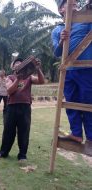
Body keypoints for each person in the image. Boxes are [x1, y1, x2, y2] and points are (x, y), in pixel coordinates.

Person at [52, 0, 92, 143]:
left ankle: (91, 137)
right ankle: (76, 133)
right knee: (71, 103)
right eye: (68, 3)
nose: (73, 4)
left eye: (75, 3)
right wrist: (62, 40)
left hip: (86, 69)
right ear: (61, 10)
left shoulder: (86, 21)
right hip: (68, 71)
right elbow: (56, 52)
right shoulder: (57, 30)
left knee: (88, 103)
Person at [0, 58, 44, 164]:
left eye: (21, 63)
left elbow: (41, 81)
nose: (19, 65)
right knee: (8, 131)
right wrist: (18, 79)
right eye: (16, 64)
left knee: (24, 132)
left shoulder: (29, 77)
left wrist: (38, 69)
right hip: (11, 107)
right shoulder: (9, 78)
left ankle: (22, 155)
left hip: (25, 107)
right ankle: (3, 153)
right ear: (13, 67)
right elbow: (9, 91)